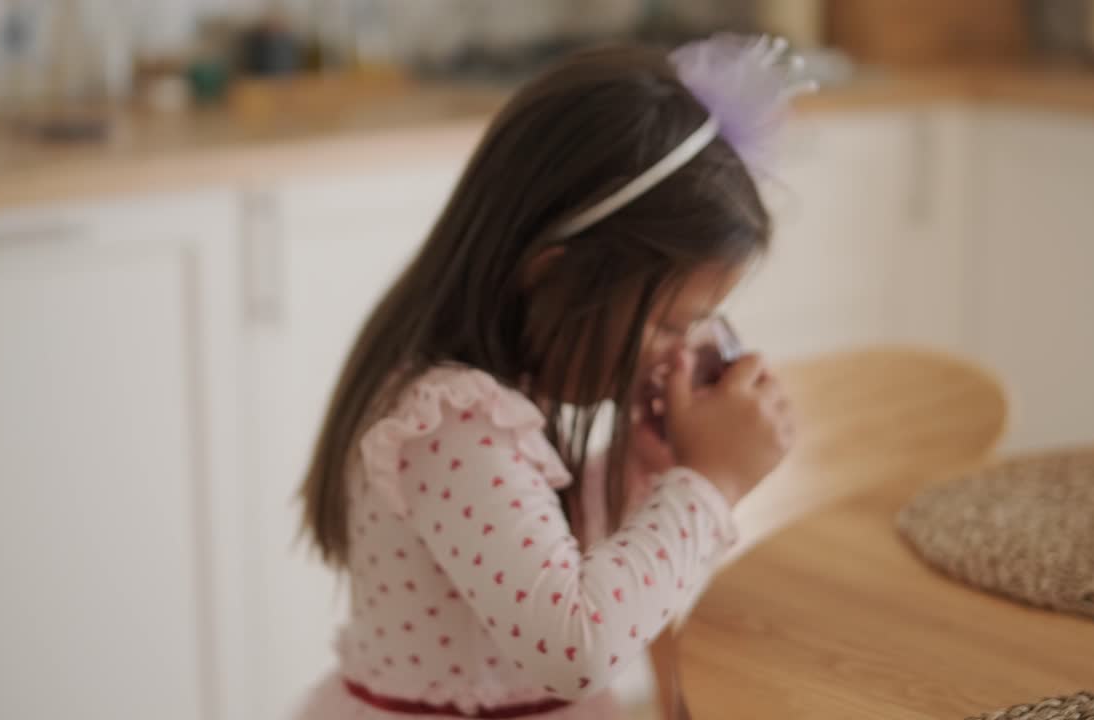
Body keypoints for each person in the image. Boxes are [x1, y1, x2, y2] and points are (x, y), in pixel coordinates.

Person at [297, 34, 810, 719]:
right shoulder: (449, 420)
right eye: (668, 325)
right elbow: (576, 646)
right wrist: (710, 484)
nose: (681, 353)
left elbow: (535, 548)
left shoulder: (495, 390)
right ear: (553, 275)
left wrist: (641, 474)